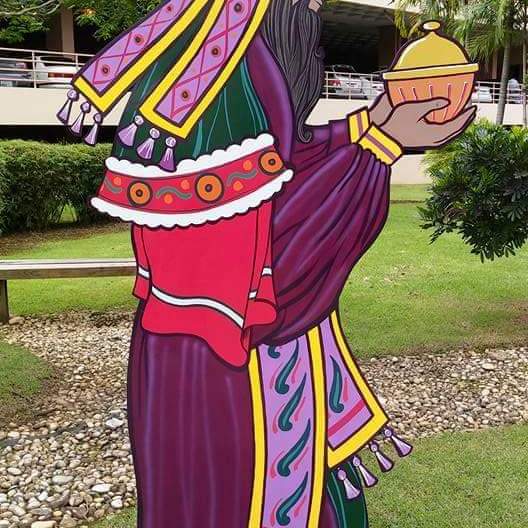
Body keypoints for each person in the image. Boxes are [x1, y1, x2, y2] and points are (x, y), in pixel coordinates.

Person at [57, 1, 475, 526]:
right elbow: (275, 240)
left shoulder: (232, 60)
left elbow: (288, 156)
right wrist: (382, 144)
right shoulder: (224, 83)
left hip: (191, 352)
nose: (316, 8)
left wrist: (372, 125)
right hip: (232, 364)